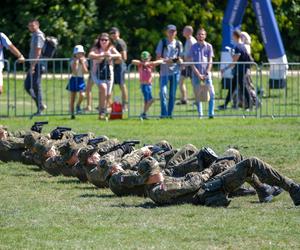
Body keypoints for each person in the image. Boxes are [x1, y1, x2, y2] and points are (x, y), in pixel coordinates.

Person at [88, 33, 121, 119]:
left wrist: (110, 55)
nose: (103, 41)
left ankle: (104, 110)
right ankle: (101, 112)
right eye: (101, 39)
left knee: (107, 94)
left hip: (109, 73)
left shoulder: (111, 48)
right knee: (103, 88)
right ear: (99, 40)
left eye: (105, 40)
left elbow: (119, 55)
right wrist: (102, 55)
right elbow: (90, 55)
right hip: (97, 73)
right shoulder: (96, 48)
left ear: (109, 41)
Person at [218, 30, 252, 110]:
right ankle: (225, 105)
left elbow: (234, 60)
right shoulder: (242, 46)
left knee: (244, 88)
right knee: (232, 87)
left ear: (235, 36)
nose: (232, 38)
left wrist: (225, 69)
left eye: (232, 36)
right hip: (240, 70)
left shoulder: (238, 47)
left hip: (240, 70)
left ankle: (250, 105)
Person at [156, 24, 183, 118]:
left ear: (176, 32)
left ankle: (169, 114)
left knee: (172, 95)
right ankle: (163, 114)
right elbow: (158, 57)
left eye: (173, 31)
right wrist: (171, 60)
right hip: (164, 72)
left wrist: (172, 60)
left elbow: (180, 58)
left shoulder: (179, 44)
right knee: (163, 93)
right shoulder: (162, 42)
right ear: (166, 32)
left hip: (175, 72)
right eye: (170, 31)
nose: (172, 33)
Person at [188, 28, 215, 118]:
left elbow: (210, 60)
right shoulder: (193, 47)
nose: (201, 36)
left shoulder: (209, 46)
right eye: (199, 34)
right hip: (196, 74)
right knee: (198, 95)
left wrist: (207, 72)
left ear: (205, 35)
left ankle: (211, 114)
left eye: (202, 34)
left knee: (212, 93)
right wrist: (198, 74)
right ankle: (200, 114)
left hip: (207, 74)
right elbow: (191, 62)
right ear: (196, 36)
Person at [24, 19, 47, 116]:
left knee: (36, 86)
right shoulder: (34, 35)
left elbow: (38, 53)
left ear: (37, 25)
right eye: (29, 26)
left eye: (32, 25)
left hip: (37, 64)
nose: (31, 28)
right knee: (28, 86)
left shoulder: (39, 36)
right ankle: (40, 105)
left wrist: (33, 66)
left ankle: (40, 109)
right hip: (34, 64)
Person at [131, 51, 163, 119]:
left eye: (146, 59)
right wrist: (142, 63)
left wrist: (150, 63)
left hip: (149, 85)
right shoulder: (140, 64)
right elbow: (133, 61)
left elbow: (159, 62)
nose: (145, 60)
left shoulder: (150, 64)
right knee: (150, 100)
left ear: (149, 58)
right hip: (144, 85)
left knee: (147, 101)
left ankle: (144, 114)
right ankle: (143, 113)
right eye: (143, 59)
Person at [66, 45, 88, 119]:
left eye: (81, 53)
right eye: (77, 53)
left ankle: (78, 105)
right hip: (74, 79)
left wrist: (83, 64)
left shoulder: (84, 60)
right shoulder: (72, 61)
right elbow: (74, 72)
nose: (79, 55)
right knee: (73, 97)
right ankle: (72, 114)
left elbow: (86, 71)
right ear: (75, 54)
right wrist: (76, 63)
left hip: (80, 79)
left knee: (83, 94)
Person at [109, 27, 128, 111]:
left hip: (120, 67)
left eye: (114, 33)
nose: (113, 35)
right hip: (114, 66)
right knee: (110, 85)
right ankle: (110, 105)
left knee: (122, 85)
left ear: (118, 33)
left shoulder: (120, 42)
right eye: (111, 33)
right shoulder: (113, 42)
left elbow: (124, 57)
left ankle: (125, 105)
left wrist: (111, 62)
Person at [177, 26, 197, 105]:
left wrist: (184, 63)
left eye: (184, 30)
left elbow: (193, 55)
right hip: (187, 65)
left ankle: (197, 100)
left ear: (189, 32)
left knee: (193, 83)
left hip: (190, 65)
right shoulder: (188, 40)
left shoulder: (192, 41)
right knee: (181, 81)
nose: (183, 32)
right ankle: (184, 99)